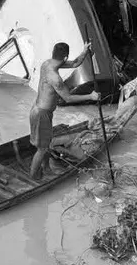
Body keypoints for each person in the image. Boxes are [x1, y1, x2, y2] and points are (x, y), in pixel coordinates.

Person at [29, 42, 100, 179]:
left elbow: (74, 64)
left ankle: (46, 168)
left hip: (39, 110)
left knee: (46, 143)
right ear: (65, 57)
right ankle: (33, 178)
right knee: (42, 149)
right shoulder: (55, 78)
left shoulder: (47, 63)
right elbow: (68, 98)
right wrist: (91, 96)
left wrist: (84, 51)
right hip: (41, 114)